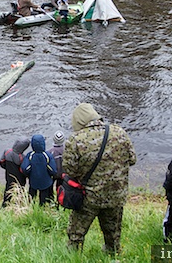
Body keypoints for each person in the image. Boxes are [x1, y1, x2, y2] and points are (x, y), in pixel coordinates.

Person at [63, 103, 136, 255]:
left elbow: (70, 170)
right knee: (113, 233)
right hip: (116, 195)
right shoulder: (119, 132)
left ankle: (73, 257)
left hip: (88, 197)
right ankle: (112, 255)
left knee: (76, 233)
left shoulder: (75, 140)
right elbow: (132, 159)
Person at [21, 134, 57, 206]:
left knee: (31, 196)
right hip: (45, 182)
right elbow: (53, 170)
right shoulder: (47, 155)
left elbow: (25, 168)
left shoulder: (30, 155)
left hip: (33, 181)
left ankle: (30, 207)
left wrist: (29, 175)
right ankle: (41, 209)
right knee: (43, 199)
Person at [0, 136, 30, 207]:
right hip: (20, 180)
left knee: (8, 190)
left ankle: (5, 205)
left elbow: (1, 163)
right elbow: (24, 170)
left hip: (9, 177)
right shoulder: (23, 158)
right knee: (20, 192)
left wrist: (7, 168)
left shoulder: (7, 152)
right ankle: (18, 206)